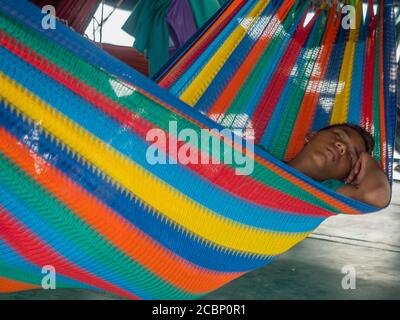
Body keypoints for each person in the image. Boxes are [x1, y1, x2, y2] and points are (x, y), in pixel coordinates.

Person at [287, 123, 391, 208]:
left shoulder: (327, 191)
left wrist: (369, 161)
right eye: (338, 135)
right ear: (312, 135)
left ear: (346, 178)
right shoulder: (270, 162)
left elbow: (377, 194)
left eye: (351, 156)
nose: (343, 147)